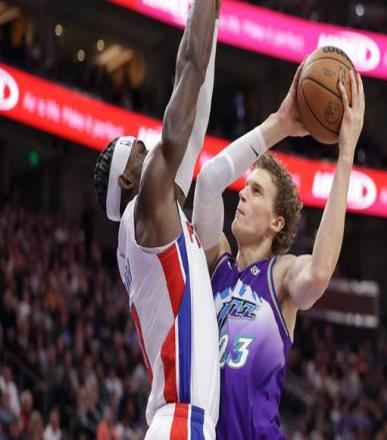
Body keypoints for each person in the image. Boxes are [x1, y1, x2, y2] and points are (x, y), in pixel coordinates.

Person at [193, 65, 365, 439]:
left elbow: (319, 272)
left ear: (277, 222)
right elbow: (207, 185)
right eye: (246, 186)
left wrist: (346, 154)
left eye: (256, 191)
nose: (242, 193)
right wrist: (279, 125)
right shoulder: (216, 262)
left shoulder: (281, 276)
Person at [93, 1, 221, 438]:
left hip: (182, 422)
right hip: (181, 421)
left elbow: (196, 128)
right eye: (140, 151)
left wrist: (213, 14)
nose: (149, 151)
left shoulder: (155, 220)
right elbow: (189, 69)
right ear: (129, 178)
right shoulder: (145, 209)